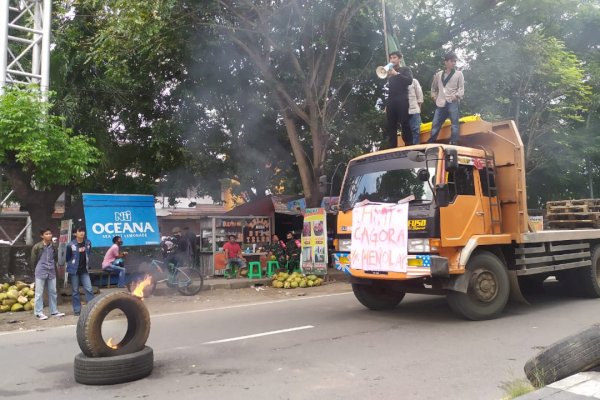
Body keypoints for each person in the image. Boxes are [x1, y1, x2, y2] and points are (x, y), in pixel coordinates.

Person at [429, 51, 465, 145]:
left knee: (454, 123)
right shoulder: (439, 74)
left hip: (453, 101)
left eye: (455, 61)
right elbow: (433, 88)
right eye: (452, 61)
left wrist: (456, 96)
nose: (454, 63)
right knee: (435, 124)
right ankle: (431, 142)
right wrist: (434, 97)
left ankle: (453, 142)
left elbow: (461, 88)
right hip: (441, 102)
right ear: (446, 62)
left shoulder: (459, 74)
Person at [30, 228, 65, 320]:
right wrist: (35, 270)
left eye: (50, 233)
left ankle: (54, 311)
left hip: (51, 271)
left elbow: (55, 258)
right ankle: (38, 312)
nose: (49, 235)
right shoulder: (37, 247)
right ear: (42, 236)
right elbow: (33, 260)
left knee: (53, 292)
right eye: (46, 234)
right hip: (40, 270)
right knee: (39, 293)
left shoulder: (53, 246)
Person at [385, 51, 414, 148]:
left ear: (399, 59)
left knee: (404, 122)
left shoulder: (405, 69)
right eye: (391, 58)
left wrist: (396, 74)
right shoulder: (389, 71)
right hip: (391, 100)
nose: (392, 60)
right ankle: (392, 147)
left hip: (402, 99)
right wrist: (387, 104)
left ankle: (409, 144)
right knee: (391, 124)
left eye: (394, 57)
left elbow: (409, 81)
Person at [65, 226, 94, 316]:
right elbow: (68, 257)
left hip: (84, 270)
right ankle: (77, 310)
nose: (82, 233)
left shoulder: (88, 243)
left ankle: (92, 309)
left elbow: (88, 253)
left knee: (89, 288)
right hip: (74, 271)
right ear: (75, 233)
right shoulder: (70, 245)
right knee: (75, 291)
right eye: (79, 231)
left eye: (83, 231)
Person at [408, 77, 424, 145]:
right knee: (407, 131)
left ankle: (415, 147)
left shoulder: (414, 81)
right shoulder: (399, 83)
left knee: (415, 129)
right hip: (404, 111)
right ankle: (408, 148)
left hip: (414, 109)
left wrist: (419, 106)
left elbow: (419, 93)